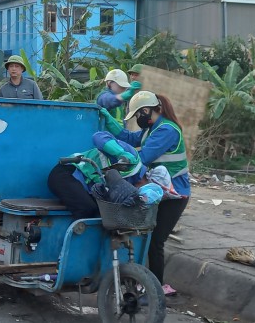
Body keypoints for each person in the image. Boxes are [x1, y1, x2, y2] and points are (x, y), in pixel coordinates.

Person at [100, 90, 190, 296]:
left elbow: (144, 156)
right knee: (147, 237)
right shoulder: (152, 128)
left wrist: (115, 153)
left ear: (148, 110)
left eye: (138, 114)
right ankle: (144, 280)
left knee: (156, 240)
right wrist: (110, 124)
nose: (138, 119)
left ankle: (158, 287)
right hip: (162, 192)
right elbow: (130, 138)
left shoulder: (167, 129)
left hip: (176, 195)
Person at [47, 131, 146, 220]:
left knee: (101, 212)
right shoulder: (133, 157)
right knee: (86, 208)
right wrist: (121, 153)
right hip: (66, 173)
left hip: (81, 184)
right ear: (149, 179)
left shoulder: (128, 187)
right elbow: (98, 136)